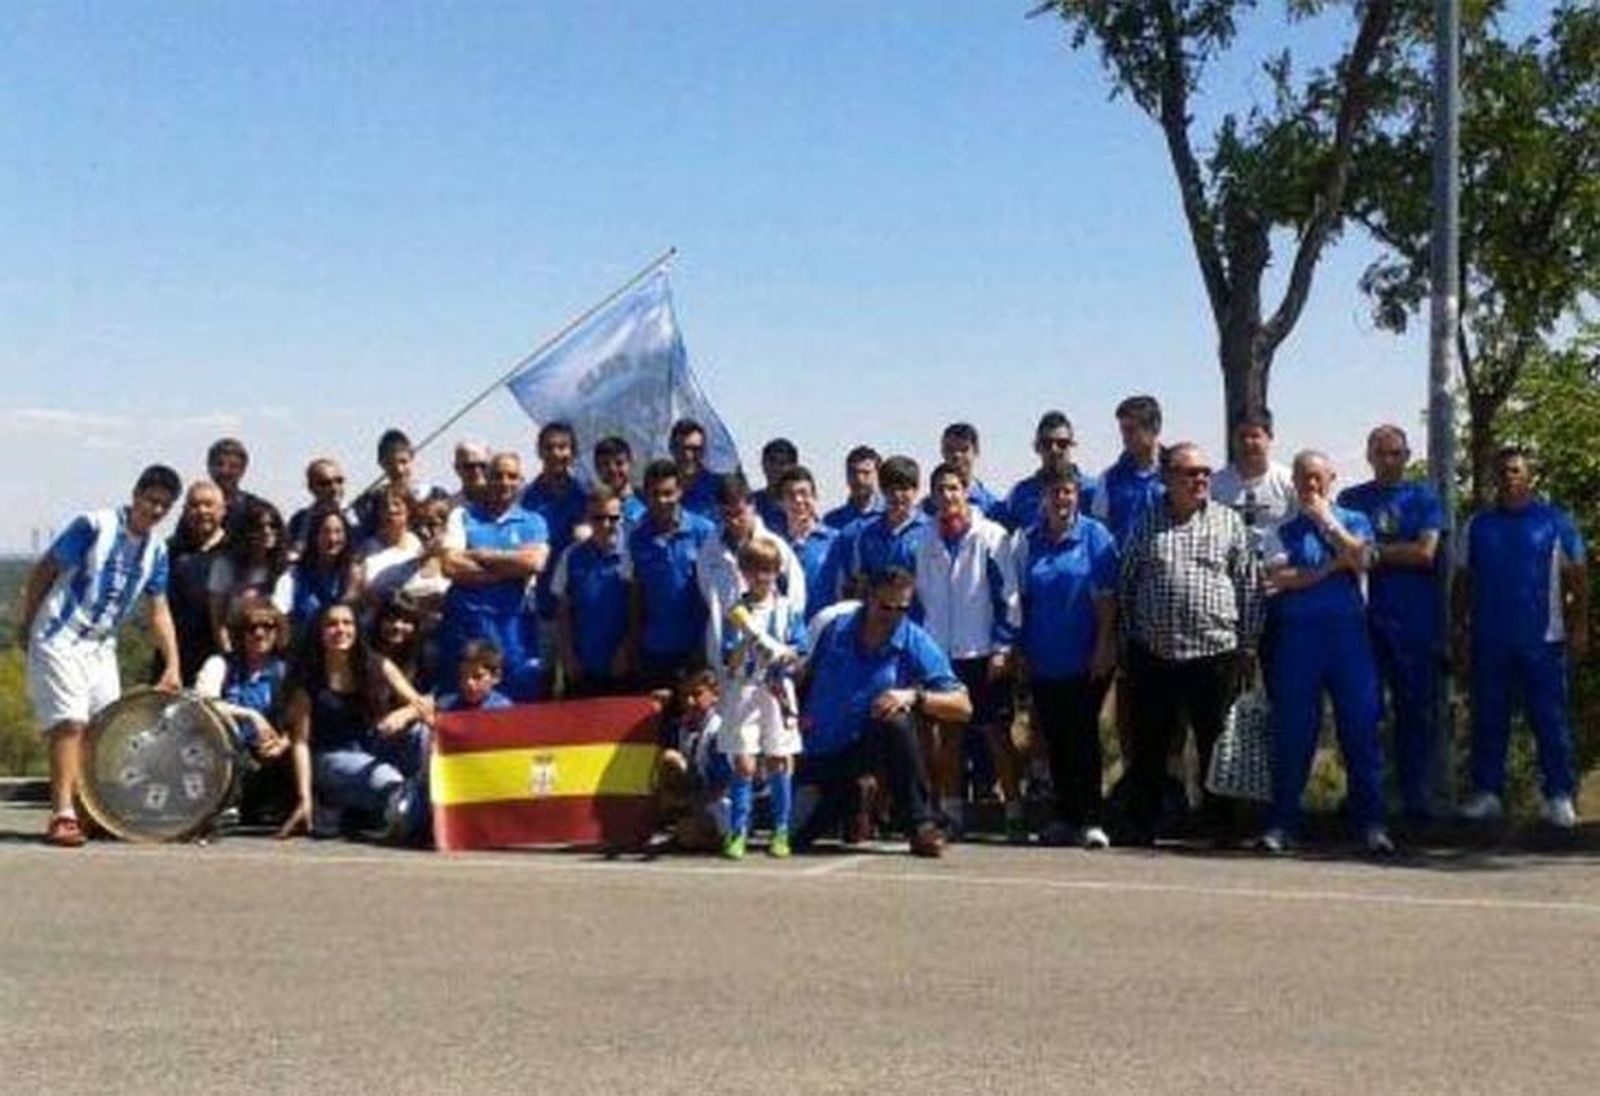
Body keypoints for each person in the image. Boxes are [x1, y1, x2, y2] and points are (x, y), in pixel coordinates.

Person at [18, 464, 184, 847]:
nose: (155, 510)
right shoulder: (94, 525)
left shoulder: (157, 550)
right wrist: (29, 622)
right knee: (70, 723)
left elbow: (159, 611)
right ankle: (62, 814)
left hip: (100, 645)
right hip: (60, 634)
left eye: (164, 505)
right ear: (136, 494)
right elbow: (45, 569)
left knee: (104, 729)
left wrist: (173, 664)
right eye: (151, 500)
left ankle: (89, 808)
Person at [1116, 442, 1263, 844]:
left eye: (1204, 472)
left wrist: (1248, 644)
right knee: (1151, 744)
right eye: (1190, 472)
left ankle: (1221, 823)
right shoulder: (1147, 522)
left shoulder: (1228, 522)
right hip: (1154, 653)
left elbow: (1248, 584)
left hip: (1214, 653)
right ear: (1168, 478)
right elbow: (1126, 583)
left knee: (1215, 740)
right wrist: (1130, 640)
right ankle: (1145, 821)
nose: (1200, 479)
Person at [1258, 451, 1391, 854]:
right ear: (1294, 483)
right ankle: (1283, 823)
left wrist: (1326, 522)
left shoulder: (1353, 520)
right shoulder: (1280, 530)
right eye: (1304, 480)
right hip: (1298, 638)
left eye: (1318, 479)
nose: (1311, 487)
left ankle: (1370, 823)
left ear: (1330, 478)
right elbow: (1281, 578)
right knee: (1293, 732)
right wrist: (1332, 569)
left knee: (1360, 729)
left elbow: (1364, 558)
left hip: (1349, 638)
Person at [792, 568, 971, 858]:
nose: (893, 615)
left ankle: (920, 825)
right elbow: (806, 677)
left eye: (902, 607)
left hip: (864, 747)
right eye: (885, 606)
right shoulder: (835, 628)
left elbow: (963, 706)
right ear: (867, 598)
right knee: (796, 838)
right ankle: (852, 800)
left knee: (896, 723)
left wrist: (914, 695)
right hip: (815, 752)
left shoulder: (914, 639)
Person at [1454, 446, 1589, 828]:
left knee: (1549, 718)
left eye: (1515, 470)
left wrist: (1580, 628)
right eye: (1502, 471)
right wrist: (1459, 629)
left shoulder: (1556, 523)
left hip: (1543, 638)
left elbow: (1578, 578)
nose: (1508, 477)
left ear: (1530, 477)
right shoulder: (1477, 525)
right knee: (1488, 717)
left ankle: (1559, 796)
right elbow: (1462, 582)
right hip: (1489, 637)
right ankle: (1487, 794)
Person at [1337, 424, 1445, 820]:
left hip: (1413, 622)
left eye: (1395, 453)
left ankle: (1415, 797)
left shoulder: (1424, 498)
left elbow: (1425, 552)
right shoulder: (1351, 499)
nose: (1388, 460)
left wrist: (1374, 553)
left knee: (1414, 711)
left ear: (1407, 456)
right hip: (1361, 620)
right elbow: (1343, 551)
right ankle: (1363, 795)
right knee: (1362, 712)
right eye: (1380, 453)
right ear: (1369, 455)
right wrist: (1371, 553)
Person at [1010, 466, 1119, 849]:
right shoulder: (1027, 541)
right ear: (1043, 497)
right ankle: (1064, 817)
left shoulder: (1096, 537)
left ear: (1077, 495)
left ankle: (1091, 818)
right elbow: (1021, 601)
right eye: (1055, 492)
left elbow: (1107, 601)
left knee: (1083, 737)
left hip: (1087, 657)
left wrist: (1104, 647)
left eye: (1068, 492)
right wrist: (1021, 650)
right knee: (1054, 738)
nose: (1062, 500)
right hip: (1044, 657)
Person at [915, 462, 1023, 841]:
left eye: (953, 488)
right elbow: (917, 602)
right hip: (941, 657)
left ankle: (1014, 812)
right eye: (940, 490)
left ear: (966, 492)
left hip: (983, 653)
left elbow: (1009, 598)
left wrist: (1002, 647)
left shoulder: (992, 536)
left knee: (997, 736)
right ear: (931, 496)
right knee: (950, 738)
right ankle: (953, 813)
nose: (947, 496)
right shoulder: (922, 539)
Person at [279, 604, 435, 842]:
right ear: (319, 632)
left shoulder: (376, 664)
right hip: (333, 756)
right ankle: (411, 813)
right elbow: (300, 743)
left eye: (347, 623)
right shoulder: (308, 680)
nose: (340, 630)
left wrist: (404, 713)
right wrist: (304, 798)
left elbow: (424, 706)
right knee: (387, 779)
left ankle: (427, 804)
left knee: (421, 733)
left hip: (373, 744)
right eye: (331, 624)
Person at [716, 540, 807, 860]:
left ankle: (781, 830)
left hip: (778, 692)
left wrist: (785, 656)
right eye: (755, 570)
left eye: (768, 570)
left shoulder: (787, 610)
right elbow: (730, 659)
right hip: (745, 689)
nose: (762, 577)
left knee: (779, 760)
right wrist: (747, 642)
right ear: (744, 573)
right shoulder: (737, 612)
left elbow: (799, 652)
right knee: (743, 762)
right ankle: (737, 830)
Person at [438, 452, 550, 702]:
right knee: (461, 705)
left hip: (513, 629)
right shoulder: (463, 516)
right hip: (466, 627)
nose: (504, 482)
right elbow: (450, 565)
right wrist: (510, 568)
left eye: (512, 476)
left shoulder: (533, 521)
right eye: (498, 475)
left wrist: (481, 554)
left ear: (521, 481)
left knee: (518, 705)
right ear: (487, 478)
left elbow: (533, 562)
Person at [193, 602, 301, 832]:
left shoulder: (287, 671)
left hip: (271, 754)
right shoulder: (220, 664)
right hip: (225, 753)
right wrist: (251, 715)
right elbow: (201, 704)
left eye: (267, 626)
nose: (259, 633)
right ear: (239, 633)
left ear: (277, 632)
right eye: (251, 628)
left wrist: (283, 743)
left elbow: (299, 720)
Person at [623, 459, 717, 690]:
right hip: (654, 650)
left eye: (668, 493)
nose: (662, 500)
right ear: (645, 494)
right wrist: (633, 643)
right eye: (655, 494)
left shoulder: (704, 532)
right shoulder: (636, 536)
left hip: (697, 648)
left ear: (680, 491)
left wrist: (706, 645)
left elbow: (714, 592)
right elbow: (636, 593)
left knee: (696, 722)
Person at [697, 473, 806, 671]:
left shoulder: (776, 546)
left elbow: (795, 598)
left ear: (752, 506)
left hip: (772, 652)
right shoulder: (709, 551)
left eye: (739, 513)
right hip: (728, 652)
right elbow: (708, 596)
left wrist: (782, 646)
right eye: (726, 515)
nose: (734, 521)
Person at [522, 421, 589, 687]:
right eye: (549, 447)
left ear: (572, 452)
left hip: (579, 606)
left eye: (563, 447)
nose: (556, 453)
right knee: (543, 682)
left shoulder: (584, 495)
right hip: (542, 605)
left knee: (578, 681)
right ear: (539, 451)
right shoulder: (527, 498)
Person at [552, 487, 632, 697]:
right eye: (598, 518)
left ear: (621, 517)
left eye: (613, 518)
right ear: (588, 518)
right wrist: (568, 656)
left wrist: (626, 649)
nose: (606, 525)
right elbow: (563, 611)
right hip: (582, 666)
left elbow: (639, 608)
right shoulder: (571, 556)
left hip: (622, 665)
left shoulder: (631, 556)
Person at [162, 481, 229, 686]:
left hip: (219, 659)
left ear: (223, 510)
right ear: (184, 511)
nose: (202, 511)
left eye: (209, 505)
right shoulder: (169, 550)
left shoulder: (235, 551)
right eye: (194, 505)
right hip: (175, 657)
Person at [655, 669, 731, 851]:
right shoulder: (682, 728)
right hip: (698, 797)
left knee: (689, 835)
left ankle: (718, 834)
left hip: (722, 804)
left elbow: (723, 787)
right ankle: (685, 826)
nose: (690, 701)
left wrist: (689, 803)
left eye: (697, 694)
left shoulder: (721, 731)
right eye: (685, 695)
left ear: (715, 695)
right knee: (668, 760)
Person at [208, 499, 292, 655]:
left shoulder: (285, 570)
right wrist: (229, 656)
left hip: (273, 653)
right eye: (259, 527)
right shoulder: (225, 565)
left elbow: (284, 621)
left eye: (273, 526)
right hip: (235, 649)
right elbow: (218, 620)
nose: (267, 531)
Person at [1209, 410, 1297, 556]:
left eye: (1255, 436)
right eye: (1242, 436)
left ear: (1269, 438)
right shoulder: (1215, 484)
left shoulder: (1289, 482)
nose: (1247, 442)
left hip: (1278, 568)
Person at [842, 455, 928, 598]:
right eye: (891, 489)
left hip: (920, 617)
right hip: (879, 617)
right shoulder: (867, 534)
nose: (897, 495)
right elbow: (861, 581)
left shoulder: (930, 531)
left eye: (904, 489)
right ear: (882, 490)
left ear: (916, 489)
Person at [1000, 410, 1092, 533]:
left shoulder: (1092, 491)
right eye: (1047, 443)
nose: (1054, 449)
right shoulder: (1021, 494)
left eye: (1062, 443)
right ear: (1037, 447)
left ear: (1072, 445)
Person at [1092, 395, 1165, 546]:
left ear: (1155, 428)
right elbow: (1100, 533)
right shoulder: (1109, 479)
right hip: (1125, 566)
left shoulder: (1178, 474)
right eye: (1123, 431)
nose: (1125, 438)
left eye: (1131, 430)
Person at [280, 504, 360, 641]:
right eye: (326, 531)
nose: (332, 538)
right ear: (314, 536)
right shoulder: (295, 575)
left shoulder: (354, 574)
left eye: (338, 532)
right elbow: (280, 612)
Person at [779, 465, 843, 621]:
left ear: (815, 497)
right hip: (787, 634)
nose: (798, 500)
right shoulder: (775, 546)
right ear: (781, 502)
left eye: (804, 493)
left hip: (826, 630)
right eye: (790, 495)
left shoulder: (836, 541)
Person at [355, 428, 446, 535]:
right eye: (390, 464)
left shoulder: (435, 495)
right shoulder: (372, 503)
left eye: (403, 461)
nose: (399, 469)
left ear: (412, 457)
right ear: (381, 463)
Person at [356, 487, 423, 617]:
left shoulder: (420, 544)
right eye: (384, 506)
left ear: (409, 509)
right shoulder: (365, 549)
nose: (391, 510)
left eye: (397, 504)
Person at [922, 422, 1003, 521]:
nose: (957, 455)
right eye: (950, 449)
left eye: (964, 449)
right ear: (942, 452)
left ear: (976, 451)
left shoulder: (992, 507)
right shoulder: (927, 507)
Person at [287, 458, 359, 561]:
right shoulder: (299, 521)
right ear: (311, 487)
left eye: (339, 481)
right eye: (325, 483)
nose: (334, 488)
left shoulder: (361, 513)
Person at [207, 437, 269, 540]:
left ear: (243, 470)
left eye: (233, 466)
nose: (225, 471)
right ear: (209, 467)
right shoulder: (197, 511)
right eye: (219, 464)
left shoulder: (256, 510)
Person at [436, 639, 514, 713]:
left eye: (477, 676)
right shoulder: (446, 706)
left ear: (496, 677)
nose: (469, 682)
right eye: (463, 675)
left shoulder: (503, 709)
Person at [823, 445, 884, 532]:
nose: (859, 479)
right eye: (853, 472)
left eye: (866, 473)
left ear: (878, 475)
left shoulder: (891, 516)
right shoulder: (831, 521)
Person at [670, 418, 720, 520]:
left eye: (695, 449)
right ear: (672, 448)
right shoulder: (660, 489)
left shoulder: (718, 488)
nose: (688, 455)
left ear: (704, 451)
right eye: (683, 449)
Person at [593, 435, 647, 528]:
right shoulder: (590, 505)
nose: (613, 470)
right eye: (606, 464)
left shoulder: (646, 500)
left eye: (619, 463)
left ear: (630, 463)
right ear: (597, 468)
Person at [750, 437, 799, 534]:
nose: (776, 468)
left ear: (794, 467)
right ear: (763, 464)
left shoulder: (801, 506)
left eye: (783, 463)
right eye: (772, 461)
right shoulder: (750, 504)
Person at [449, 441, 491, 510]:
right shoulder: (450, 508)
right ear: (457, 468)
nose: (477, 471)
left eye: (482, 465)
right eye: (469, 466)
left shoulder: (506, 505)